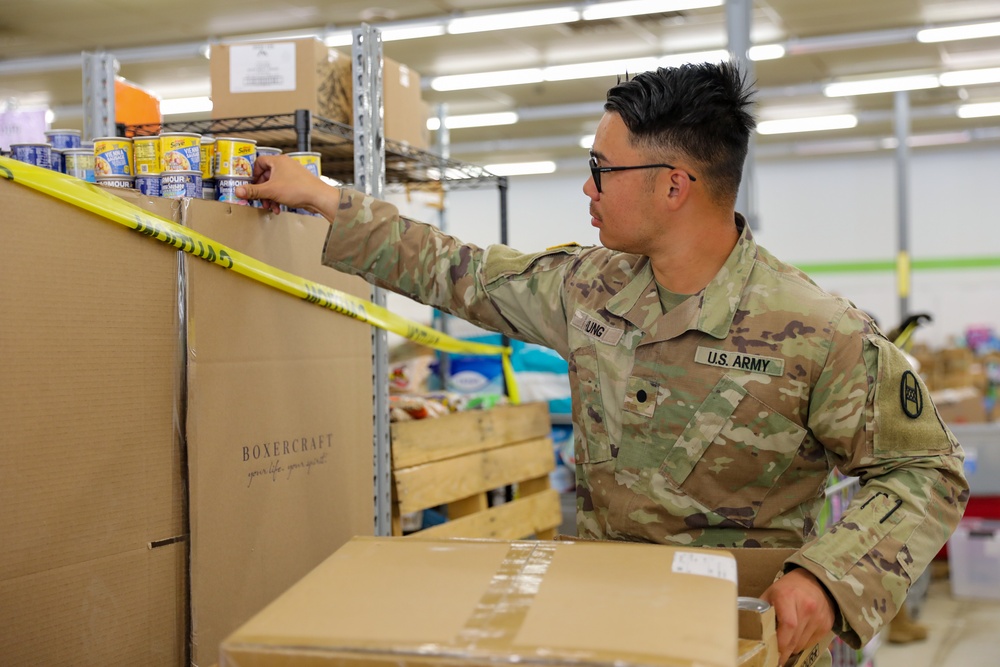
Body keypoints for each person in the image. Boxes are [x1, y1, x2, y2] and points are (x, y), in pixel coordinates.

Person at [237, 60, 968, 665]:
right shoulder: (588, 289)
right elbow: (458, 269)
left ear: (674, 184)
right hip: (609, 628)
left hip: (746, 639)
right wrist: (326, 198)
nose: (588, 188)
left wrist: (828, 578)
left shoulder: (817, 330)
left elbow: (926, 470)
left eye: (601, 168)